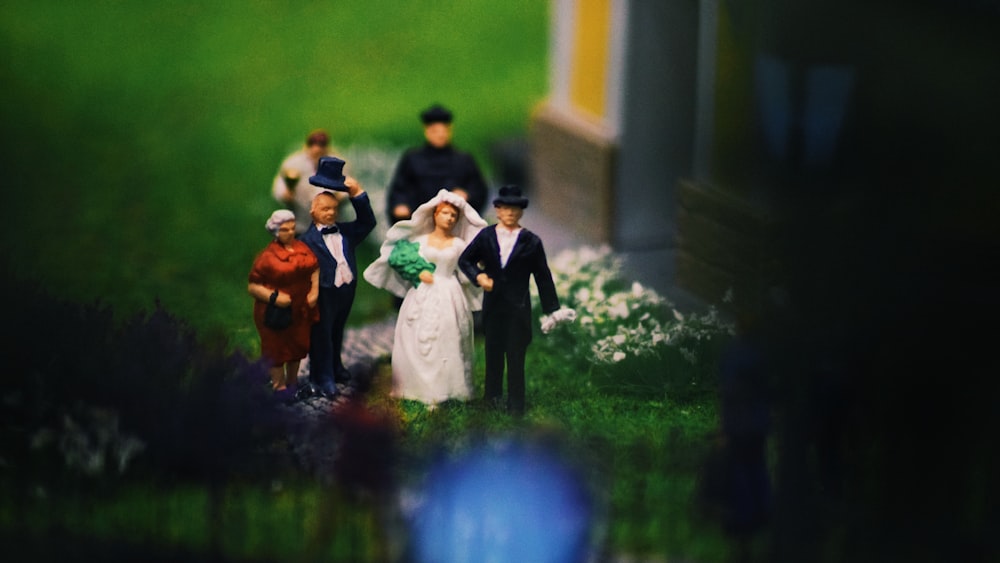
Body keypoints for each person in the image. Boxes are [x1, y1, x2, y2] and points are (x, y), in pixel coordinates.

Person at [363, 189, 487, 407]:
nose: (448, 218)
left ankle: (446, 389)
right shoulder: (420, 241)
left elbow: (467, 269)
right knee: (415, 335)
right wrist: (416, 271)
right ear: (434, 214)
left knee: (447, 336)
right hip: (422, 292)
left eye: (453, 216)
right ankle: (413, 386)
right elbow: (400, 257)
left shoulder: (459, 245)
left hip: (449, 291)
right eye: (445, 213)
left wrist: (479, 273)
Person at [458, 186, 575, 415]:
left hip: (517, 308)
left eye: (515, 209)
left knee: (515, 355)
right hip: (493, 307)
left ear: (521, 212)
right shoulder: (486, 236)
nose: (510, 213)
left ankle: (516, 403)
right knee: (493, 354)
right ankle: (491, 399)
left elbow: (543, 276)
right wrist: (479, 276)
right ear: (498, 211)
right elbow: (466, 260)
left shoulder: (531, 242)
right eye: (505, 208)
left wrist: (552, 309)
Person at [300, 156, 376, 399]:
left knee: (337, 330)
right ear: (313, 212)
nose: (330, 213)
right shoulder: (306, 241)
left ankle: (335, 366)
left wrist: (358, 194)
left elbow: (368, 222)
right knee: (321, 334)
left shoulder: (346, 232)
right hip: (322, 292)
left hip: (344, 290)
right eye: (324, 209)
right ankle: (322, 376)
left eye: (333, 209)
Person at [247, 209, 320, 400]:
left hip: (300, 309)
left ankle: (293, 382)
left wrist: (314, 291)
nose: (290, 233)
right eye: (285, 230)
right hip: (276, 313)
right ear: (276, 231)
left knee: (297, 346)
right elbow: (254, 286)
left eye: (293, 229)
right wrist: (274, 297)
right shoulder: (267, 258)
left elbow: (314, 268)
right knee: (277, 349)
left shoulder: (302, 249)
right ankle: (279, 386)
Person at [385, 104, 489, 224]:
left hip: (454, 224)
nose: (440, 135)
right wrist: (400, 205)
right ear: (427, 131)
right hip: (419, 224)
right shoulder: (413, 159)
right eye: (435, 131)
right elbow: (399, 189)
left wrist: (467, 195)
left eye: (444, 130)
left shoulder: (463, 160)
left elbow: (479, 189)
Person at [272, 129, 349, 235]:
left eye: (321, 145)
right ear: (306, 146)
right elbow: (279, 186)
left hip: (330, 222)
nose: (316, 149)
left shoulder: (338, 163)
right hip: (301, 217)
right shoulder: (293, 162)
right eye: (312, 145)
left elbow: (348, 185)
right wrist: (285, 194)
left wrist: (340, 197)